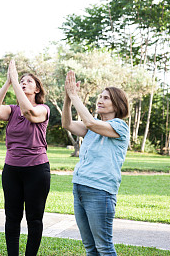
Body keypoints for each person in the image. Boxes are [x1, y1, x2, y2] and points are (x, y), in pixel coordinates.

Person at [61, 70, 130, 256]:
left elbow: (91, 123)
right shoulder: (91, 127)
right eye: (100, 96)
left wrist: (75, 95)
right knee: (91, 248)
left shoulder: (120, 126)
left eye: (106, 98)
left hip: (100, 192)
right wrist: (68, 97)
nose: (100, 100)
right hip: (80, 187)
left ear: (117, 104)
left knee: (104, 248)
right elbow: (67, 124)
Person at [0, 60, 51, 256]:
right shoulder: (12, 110)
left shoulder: (43, 109)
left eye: (28, 82)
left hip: (37, 169)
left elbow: (30, 112)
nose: (24, 83)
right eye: (21, 81)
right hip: (12, 170)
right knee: (12, 217)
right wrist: (8, 82)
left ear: (37, 89)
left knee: (34, 218)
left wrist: (15, 81)